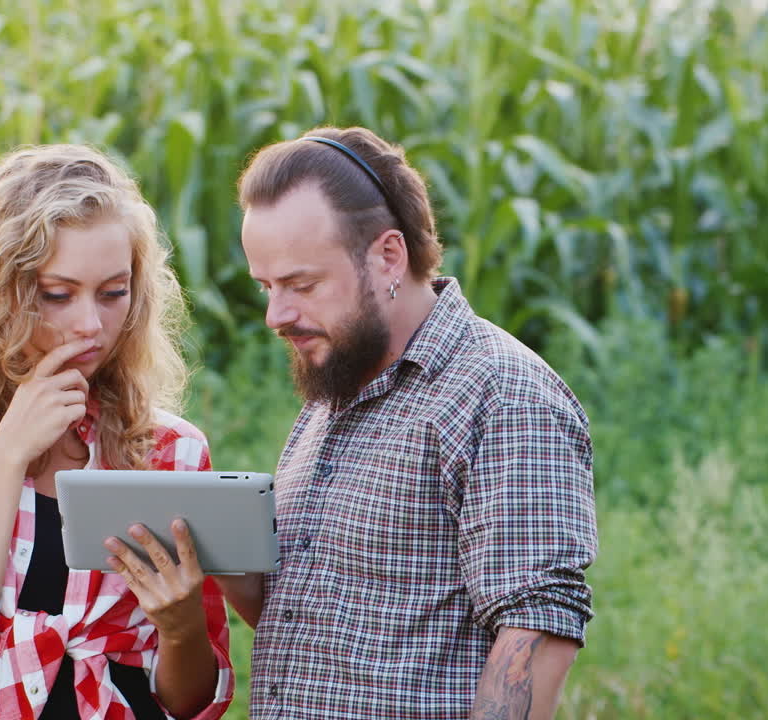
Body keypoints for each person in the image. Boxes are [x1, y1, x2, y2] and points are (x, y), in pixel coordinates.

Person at [223, 127, 597, 718]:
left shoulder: (501, 396)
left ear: (387, 256)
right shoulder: (338, 385)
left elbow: (536, 625)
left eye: (301, 284)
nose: (277, 315)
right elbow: (316, 622)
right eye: (267, 287)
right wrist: (213, 558)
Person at [0, 144, 233, 720]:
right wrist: (10, 451)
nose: (91, 325)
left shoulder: (172, 448)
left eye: (114, 293)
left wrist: (183, 625)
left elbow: (191, 705)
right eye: (57, 295)